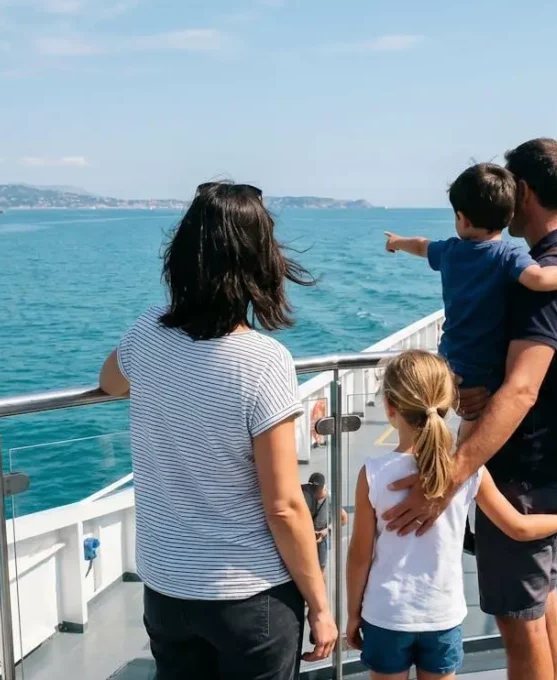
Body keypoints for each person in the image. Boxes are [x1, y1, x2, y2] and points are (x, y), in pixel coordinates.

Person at [382, 138, 557, 680]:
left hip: (521, 461)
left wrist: (448, 479)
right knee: (542, 600)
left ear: (522, 192)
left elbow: (523, 390)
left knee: (517, 619)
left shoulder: (536, 272)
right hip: (551, 457)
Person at [98, 181, 337, 679]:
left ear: (182, 257)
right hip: (249, 598)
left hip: (166, 589)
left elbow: (110, 382)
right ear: (260, 263)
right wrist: (319, 602)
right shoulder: (263, 362)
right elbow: (284, 505)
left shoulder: (147, 332)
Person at [345, 350, 557, 680]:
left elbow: (359, 556)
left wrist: (354, 614)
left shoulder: (373, 474)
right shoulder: (470, 473)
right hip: (442, 616)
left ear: (390, 408)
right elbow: (519, 528)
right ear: (448, 404)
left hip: (387, 614)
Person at [383, 162, 557, 443]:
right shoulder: (507, 254)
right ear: (511, 215)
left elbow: (422, 245)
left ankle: (428, 458)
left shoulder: (449, 250)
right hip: (485, 366)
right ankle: (455, 473)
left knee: (439, 417)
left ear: (461, 218)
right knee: (470, 437)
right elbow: (539, 279)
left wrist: (397, 242)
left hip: (450, 357)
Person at [301, 472, 348, 573]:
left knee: (320, 570)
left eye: (316, 491)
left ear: (322, 488)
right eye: (312, 490)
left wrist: (327, 530)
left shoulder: (330, 500)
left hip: (321, 539)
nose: (313, 493)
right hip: (306, 536)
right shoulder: (306, 494)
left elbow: (344, 519)